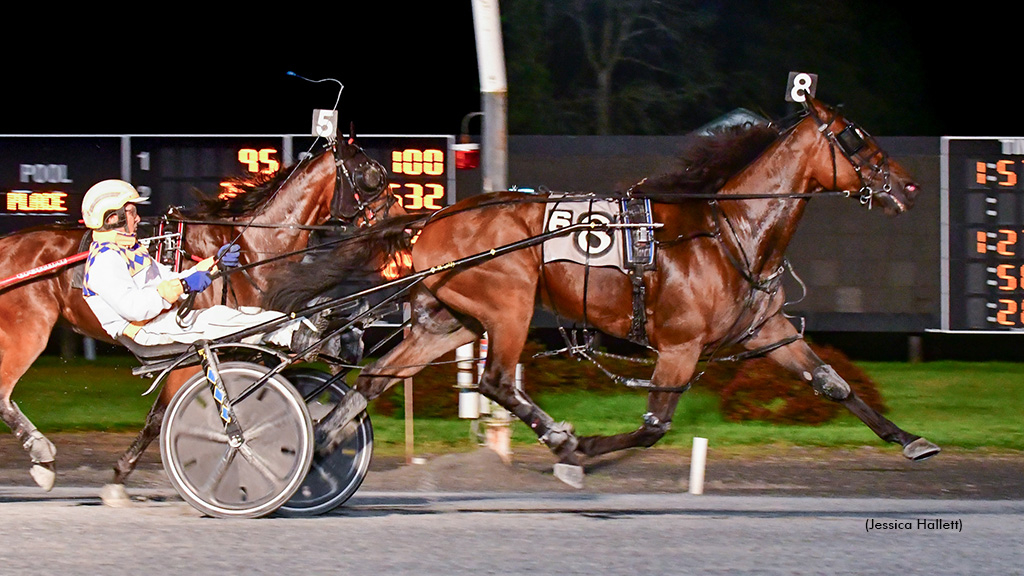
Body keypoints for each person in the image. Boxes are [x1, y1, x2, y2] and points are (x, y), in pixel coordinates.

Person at [80, 179, 300, 348]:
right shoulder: (105, 260)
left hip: (164, 320)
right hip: (146, 331)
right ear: (110, 218)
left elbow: (170, 280)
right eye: (131, 213)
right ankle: (297, 336)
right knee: (223, 319)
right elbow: (136, 309)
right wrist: (185, 286)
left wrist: (215, 264)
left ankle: (297, 331)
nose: (137, 218)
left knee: (246, 315)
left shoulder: (128, 249)